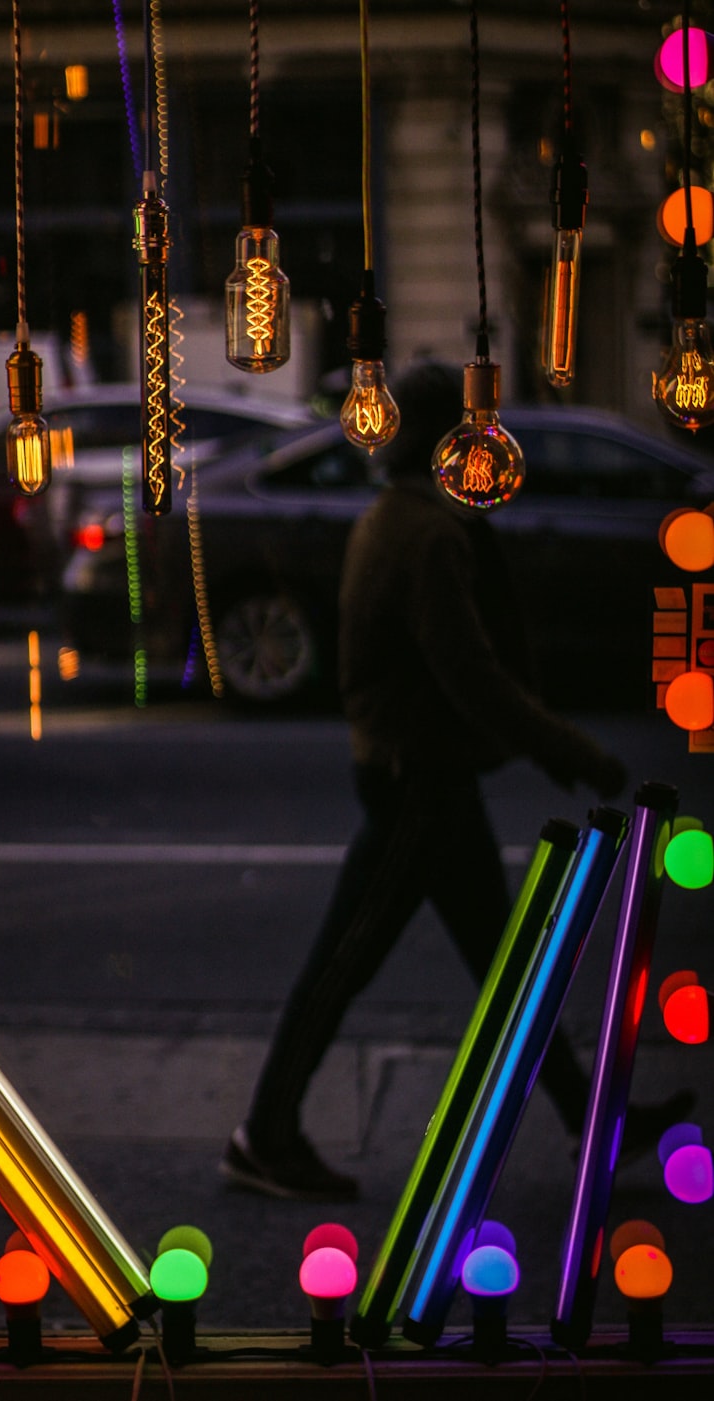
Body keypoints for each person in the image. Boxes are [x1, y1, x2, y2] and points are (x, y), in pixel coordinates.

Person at [220, 358, 694, 1202]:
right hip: (419, 783)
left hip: (412, 773)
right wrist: (572, 749)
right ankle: (266, 1132)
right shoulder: (428, 534)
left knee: (512, 965)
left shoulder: (394, 518)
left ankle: (592, 1117)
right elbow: (468, 674)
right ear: (451, 437)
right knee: (348, 964)